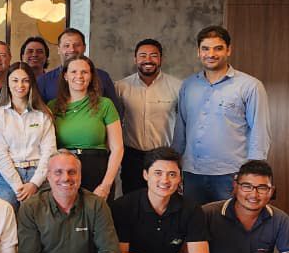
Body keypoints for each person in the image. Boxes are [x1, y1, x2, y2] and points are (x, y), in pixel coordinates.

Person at [174, 25, 271, 207]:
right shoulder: (188, 86)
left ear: (228, 50)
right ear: (198, 52)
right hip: (192, 173)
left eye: (218, 48)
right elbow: (181, 129)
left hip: (231, 174)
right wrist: (175, 166)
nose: (211, 54)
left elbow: (260, 131)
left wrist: (252, 175)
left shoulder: (249, 86)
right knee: (193, 221)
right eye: (205, 48)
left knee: (228, 221)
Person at [50, 56, 122, 199]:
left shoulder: (105, 105)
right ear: (65, 76)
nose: (79, 76)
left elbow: (117, 148)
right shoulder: (52, 106)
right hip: (64, 171)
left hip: (97, 171)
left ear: (91, 76)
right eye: (74, 72)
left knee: (97, 213)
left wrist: (106, 185)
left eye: (84, 72)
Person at [115, 39, 181, 194]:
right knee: (132, 199)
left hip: (164, 155)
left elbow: (184, 123)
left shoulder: (177, 87)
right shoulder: (121, 87)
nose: (148, 60)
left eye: (153, 55)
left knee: (164, 198)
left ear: (161, 59)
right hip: (132, 156)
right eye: (143, 55)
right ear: (135, 59)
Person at [0, 61, 56, 211]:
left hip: (39, 174)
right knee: (4, 217)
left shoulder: (43, 114)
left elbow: (50, 152)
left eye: (25, 80)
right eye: (15, 80)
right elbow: (0, 154)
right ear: (7, 83)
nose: (20, 85)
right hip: (8, 176)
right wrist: (18, 186)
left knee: (39, 218)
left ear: (31, 83)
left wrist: (34, 184)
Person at [35, 28, 119, 105]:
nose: (72, 49)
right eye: (66, 45)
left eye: (77, 45)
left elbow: (116, 110)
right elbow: (38, 113)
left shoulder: (103, 77)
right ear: (59, 49)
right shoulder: (43, 81)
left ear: (84, 48)